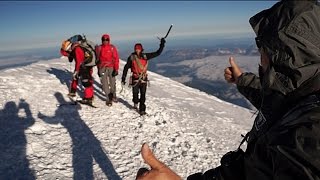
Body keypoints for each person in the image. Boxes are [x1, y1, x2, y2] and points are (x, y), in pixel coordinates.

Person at [135, 1, 320, 179]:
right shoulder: (301, 95)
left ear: (281, 56)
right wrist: (240, 79)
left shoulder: (307, 134)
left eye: (262, 49)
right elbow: (275, 99)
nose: (259, 56)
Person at [121, 38, 166, 115]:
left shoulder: (145, 56)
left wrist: (162, 44)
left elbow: (157, 53)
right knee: (135, 94)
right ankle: (135, 102)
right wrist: (123, 78)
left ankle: (142, 109)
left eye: (138, 49)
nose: (137, 50)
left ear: (141, 49)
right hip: (135, 78)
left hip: (143, 78)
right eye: (136, 49)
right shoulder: (132, 57)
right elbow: (126, 67)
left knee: (143, 94)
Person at [60, 35, 94, 105]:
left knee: (86, 81)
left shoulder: (77, 49)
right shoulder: (76, 48)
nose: (68, 51)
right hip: (87, 65)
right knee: (86, 79)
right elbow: (65, 53)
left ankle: (88, 98)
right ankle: (88, 95)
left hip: (84, 67)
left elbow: (79, 62)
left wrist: (76, 71)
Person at [96, 34, 120, 106]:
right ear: (102, 40)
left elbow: (116, 59)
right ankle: (108, 98)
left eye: (107, 40)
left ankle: (113, 95)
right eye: (104, 39)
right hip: (102, 68)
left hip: (111, 67)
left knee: (112, 82)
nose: (105, 41)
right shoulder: (99, 48)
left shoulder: (112, 48)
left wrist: (116, 69)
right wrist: (98, 69)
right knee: (105, 83)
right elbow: (97, 60)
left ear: (109, 40)